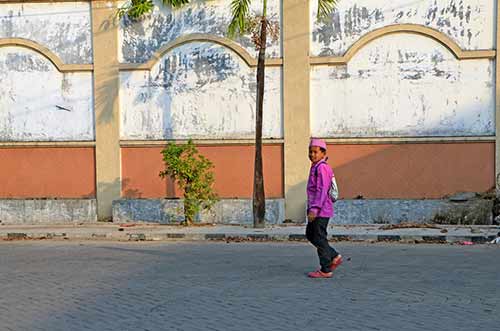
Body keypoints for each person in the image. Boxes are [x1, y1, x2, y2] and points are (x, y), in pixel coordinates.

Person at [306, 138, 342, 278]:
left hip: (321, 210)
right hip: (315, 208)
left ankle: (325, 269)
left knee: (318, 237)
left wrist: (314, 209)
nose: (312, 155)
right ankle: (334, 256)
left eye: (315, 152)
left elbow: (321, 190)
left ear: (323, 153)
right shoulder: (315, 167)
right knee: (311, 235)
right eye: (310, 152)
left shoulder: (322, 168)